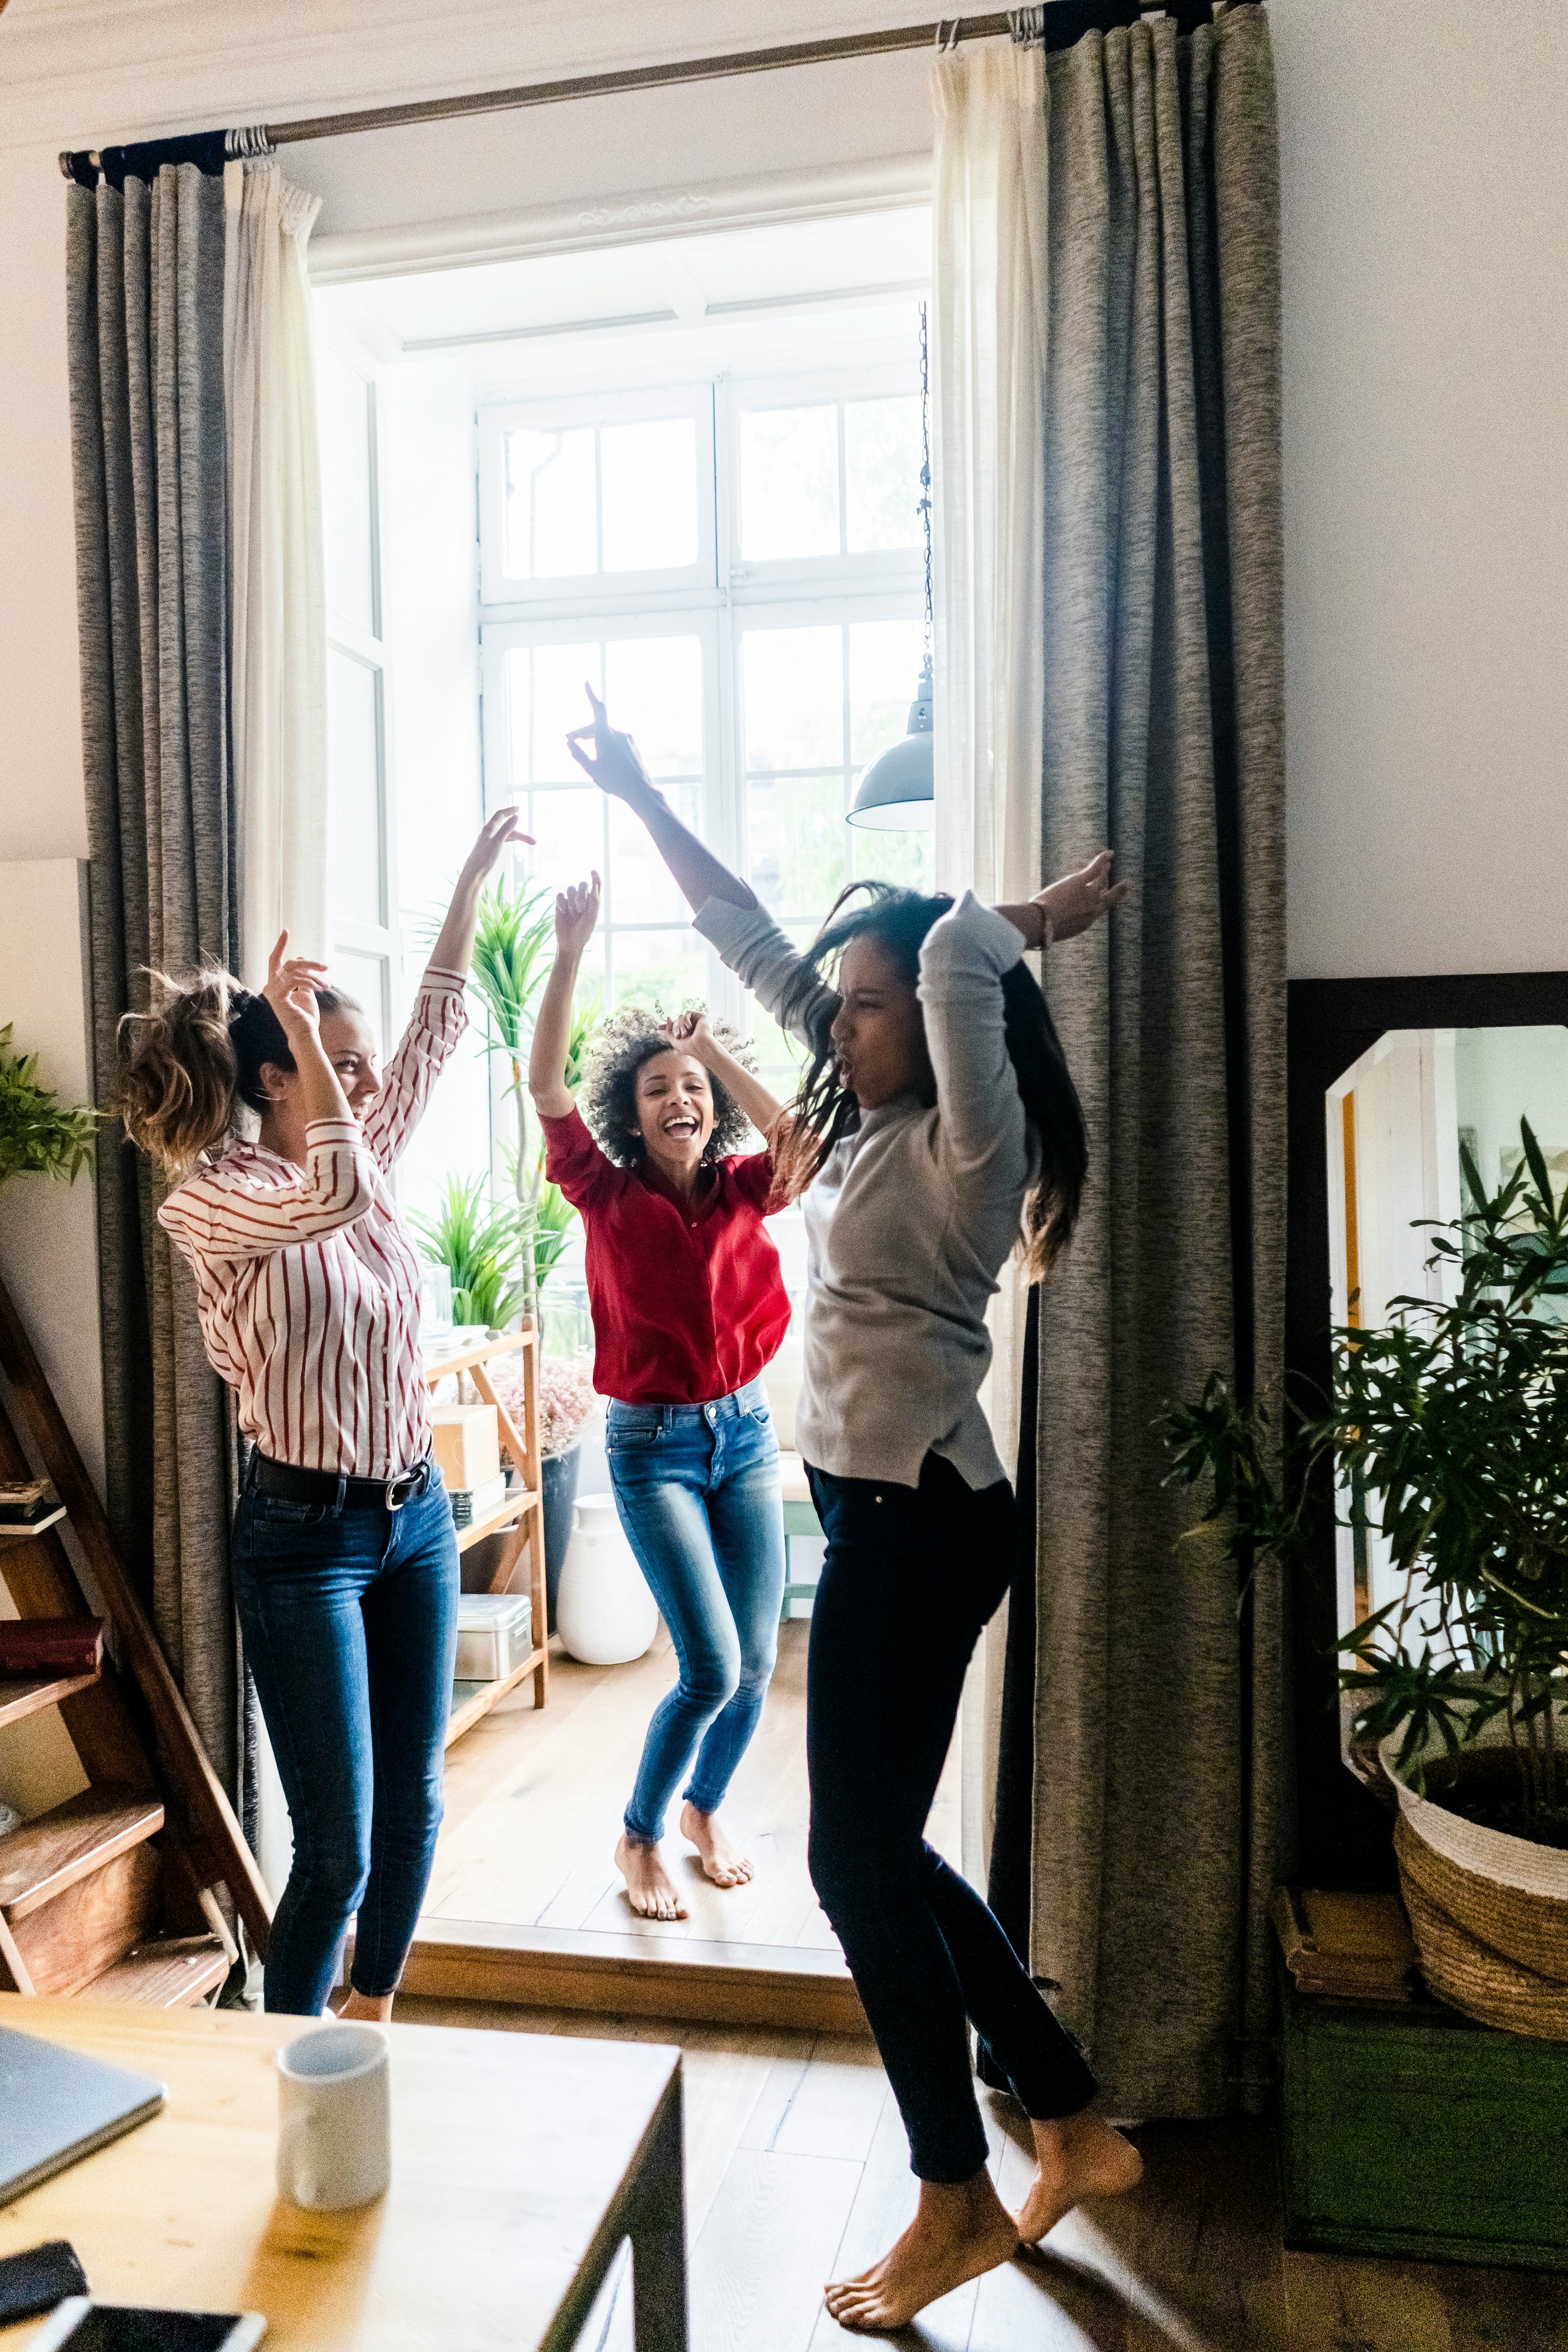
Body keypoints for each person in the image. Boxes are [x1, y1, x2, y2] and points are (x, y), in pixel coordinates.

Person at [568, 685, 1140, 2333]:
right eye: (856, 1002)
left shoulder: (975, 1136)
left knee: (846, 1860)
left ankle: (953, 2191)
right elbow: (753, 935)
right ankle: (1076, 2122)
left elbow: (960, 944)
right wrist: (647, 784)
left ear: (943, 1015)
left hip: (924, 1525)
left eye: (875, 1004)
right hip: (884, 1514)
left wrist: (1030, 920)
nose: (848, 1021)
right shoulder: (871, 1102)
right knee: (880, 1850)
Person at [120, 809, 528, 2019]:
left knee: (415, 1815)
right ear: (269, 1076)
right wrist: (303, 1027)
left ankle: (370, 2030)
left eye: (356, 1063)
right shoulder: (215, 1202)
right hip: (305, 1543)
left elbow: (437, 1026)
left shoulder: (361, 1147)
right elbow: (335, 1185)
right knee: (336, 1850)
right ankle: (274, 2072)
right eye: (327, 1059)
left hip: (410, 1519)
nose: (363, 1082)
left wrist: (466, 879)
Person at [529, 871, 794, 1922]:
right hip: (651, 1449)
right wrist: (571, 949)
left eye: (692, 1087)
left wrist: (718, 1050)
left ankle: (704, 1808)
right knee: (710, 1665)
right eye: (657, 1090)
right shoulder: (603, 1191)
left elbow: (803, 1140)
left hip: (748, 1433)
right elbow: (546, 1080)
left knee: (760, 1660)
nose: (679, 1101)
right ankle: (639, 1833)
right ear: (630, 1119)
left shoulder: (742, 1188)